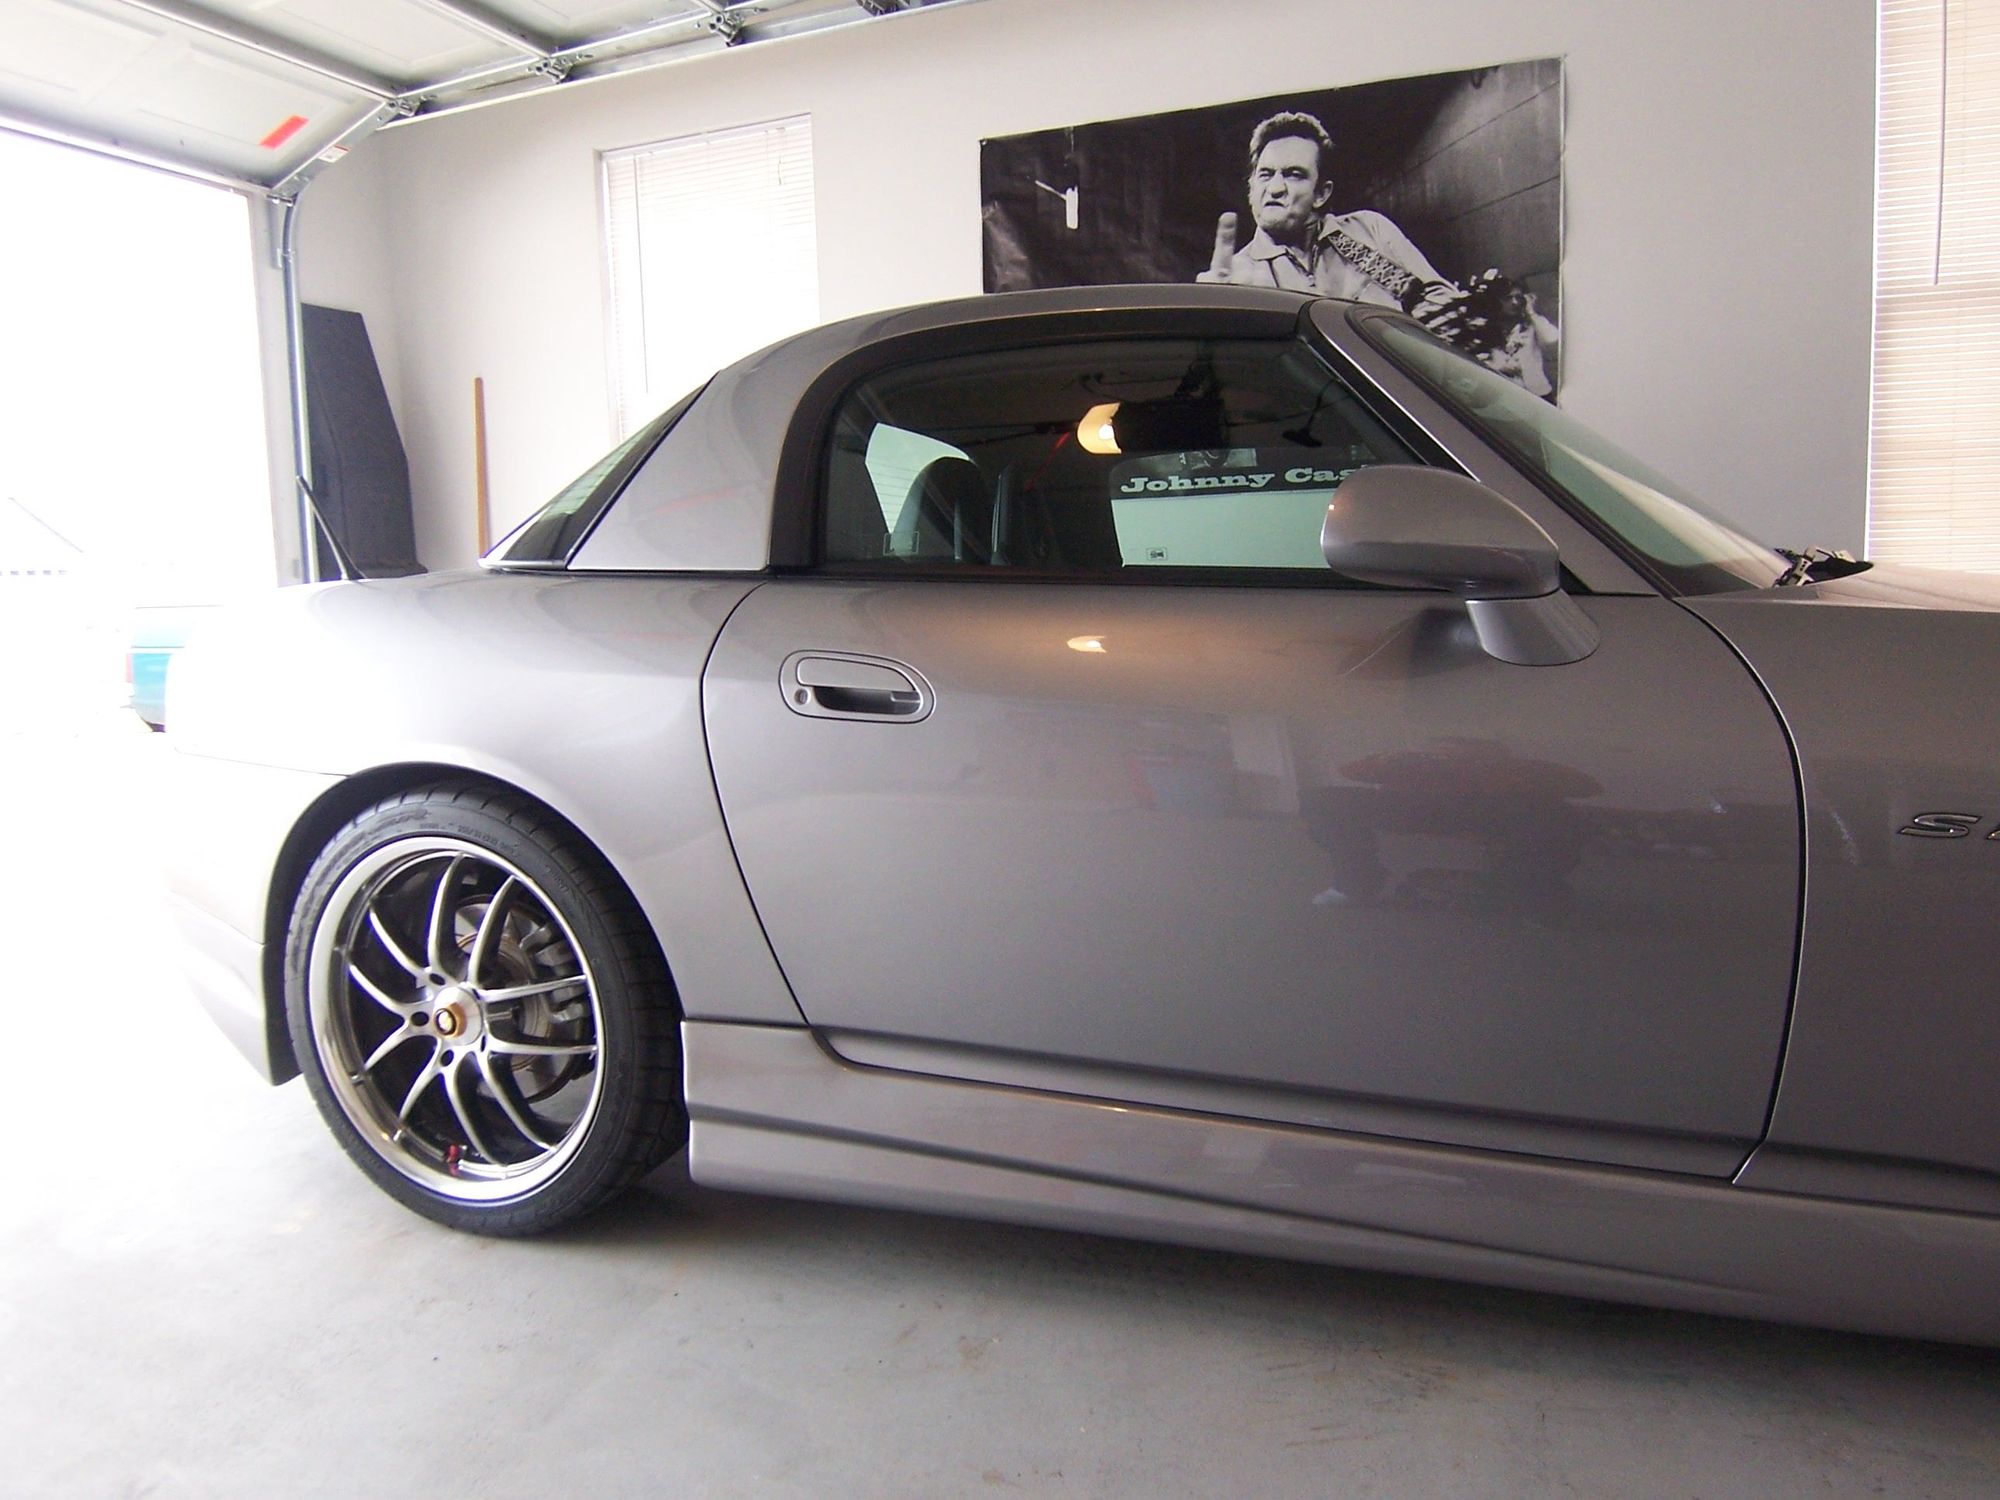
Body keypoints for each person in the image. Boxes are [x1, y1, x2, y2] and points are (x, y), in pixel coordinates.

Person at [1198, 110, 1558, 394]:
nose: (1275, 188)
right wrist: (1212, 328)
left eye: (1293, 174)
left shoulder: (1369, 231)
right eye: (1265, 175)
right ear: (1251, 187)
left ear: (1322, 194)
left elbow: (1441, 306)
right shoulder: (1237, 276)